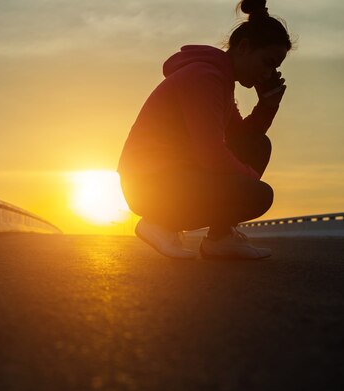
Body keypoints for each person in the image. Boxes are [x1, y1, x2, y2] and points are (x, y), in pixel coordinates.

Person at [118, 0, 293, 259]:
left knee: (257, 143)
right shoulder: (204, 77)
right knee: (259, 194)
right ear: (244, 48)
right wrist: (249, 183)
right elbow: (211, 154)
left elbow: (242, 140)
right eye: (267, 62)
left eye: (275, 68)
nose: (268, 73)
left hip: (175, 177)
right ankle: (160, 223)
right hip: (150, 184)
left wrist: (267, 105)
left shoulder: (220, 80)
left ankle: (220, 239)